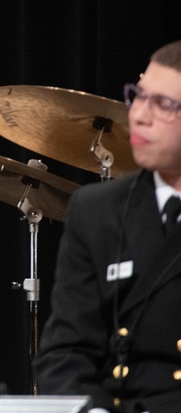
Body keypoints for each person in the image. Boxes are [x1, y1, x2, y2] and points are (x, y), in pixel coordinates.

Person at [35, 40, 181, 413]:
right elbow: (65, 355)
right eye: (139, 96)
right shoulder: (97, 210)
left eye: (163, 105)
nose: (139, 115)